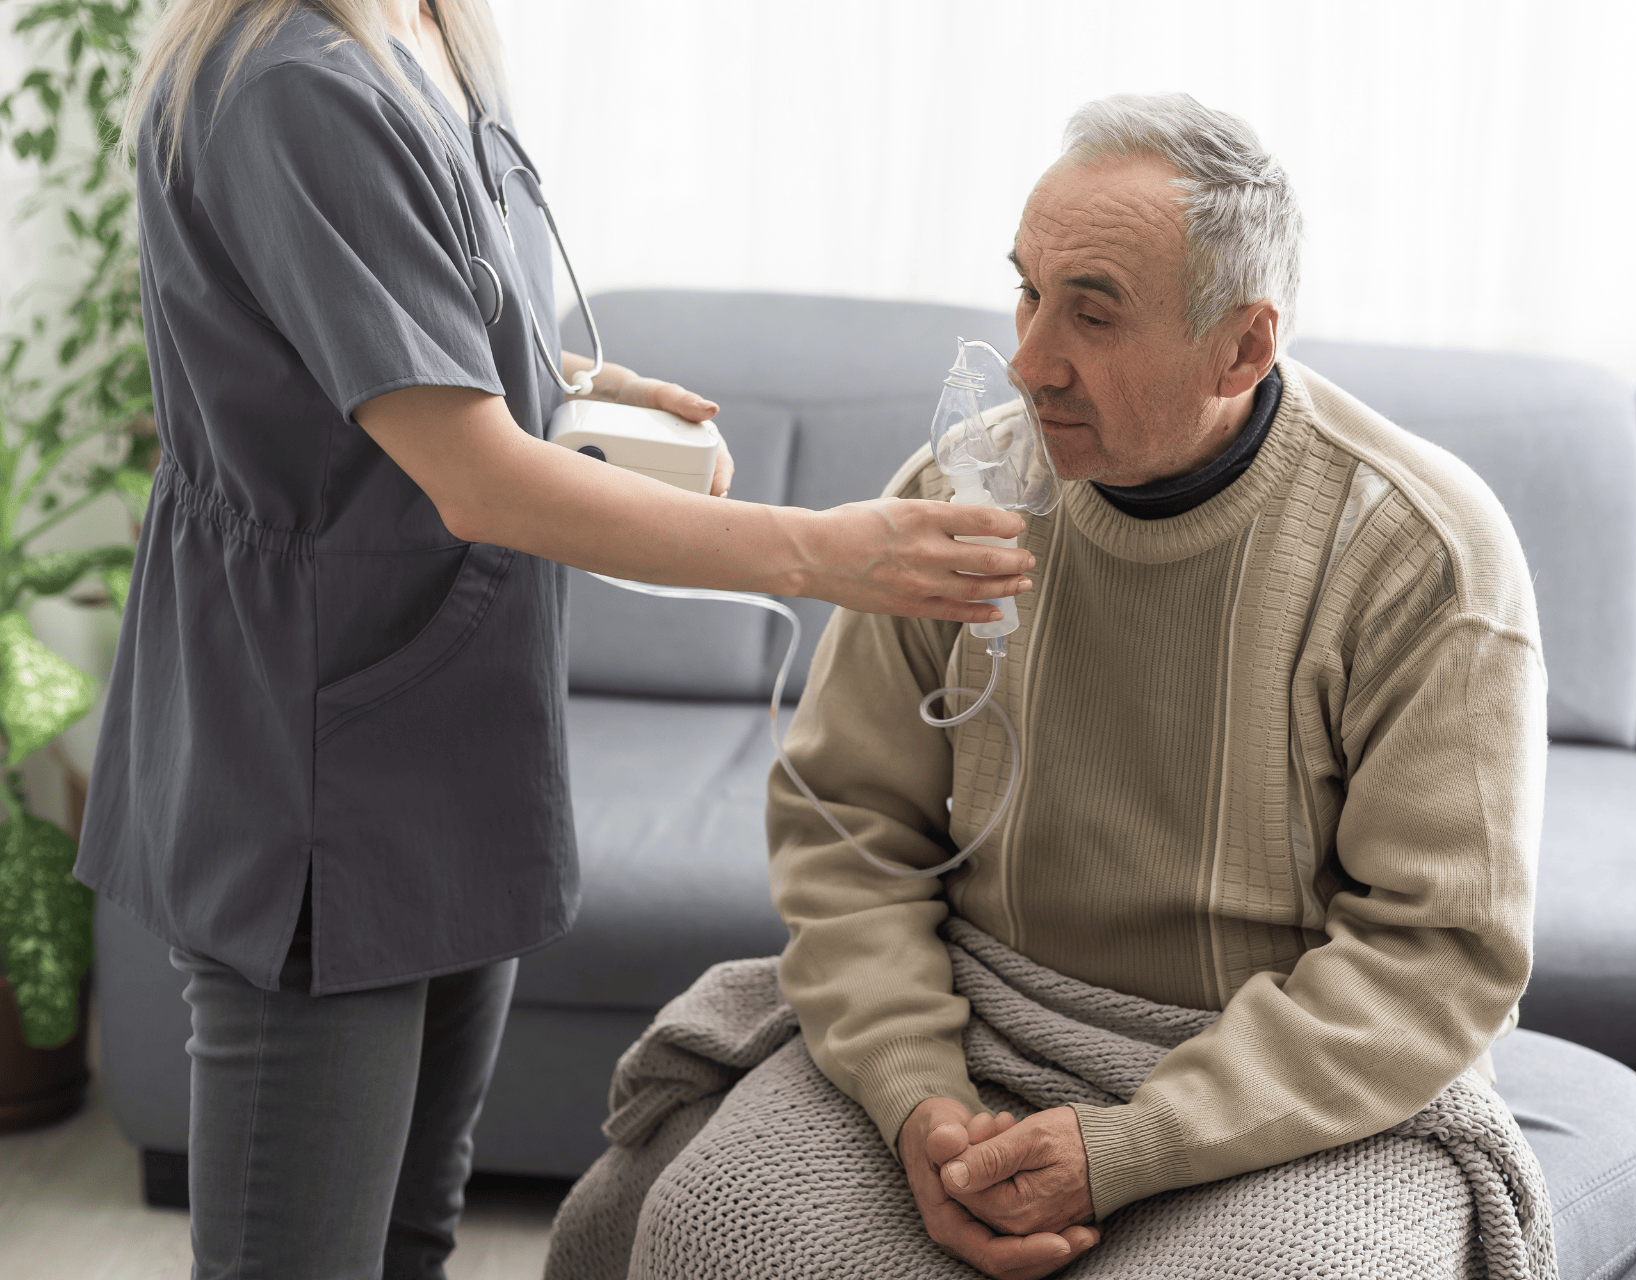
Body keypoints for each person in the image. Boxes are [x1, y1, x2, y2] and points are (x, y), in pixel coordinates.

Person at [73, 2, 1034, 1277]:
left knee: (414, 1233)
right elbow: (476, 479)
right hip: (320, 749)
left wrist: (559, 377)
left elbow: (394, 323)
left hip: (460, 723)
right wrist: (826, 553)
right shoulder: (292, 86)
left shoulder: (432, 40)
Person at [561, 92, 1545, 1279]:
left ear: (1242, 344)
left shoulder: (1419, 556)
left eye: (1093, 313)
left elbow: (1435, 954)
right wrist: (918, 1095)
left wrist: (1134, 1143)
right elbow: (851, 837)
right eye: (1027, 290)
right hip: (980, 1009)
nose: (1027, 364)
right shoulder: (956, 495)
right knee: (716, 1230)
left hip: (1284, 1075)